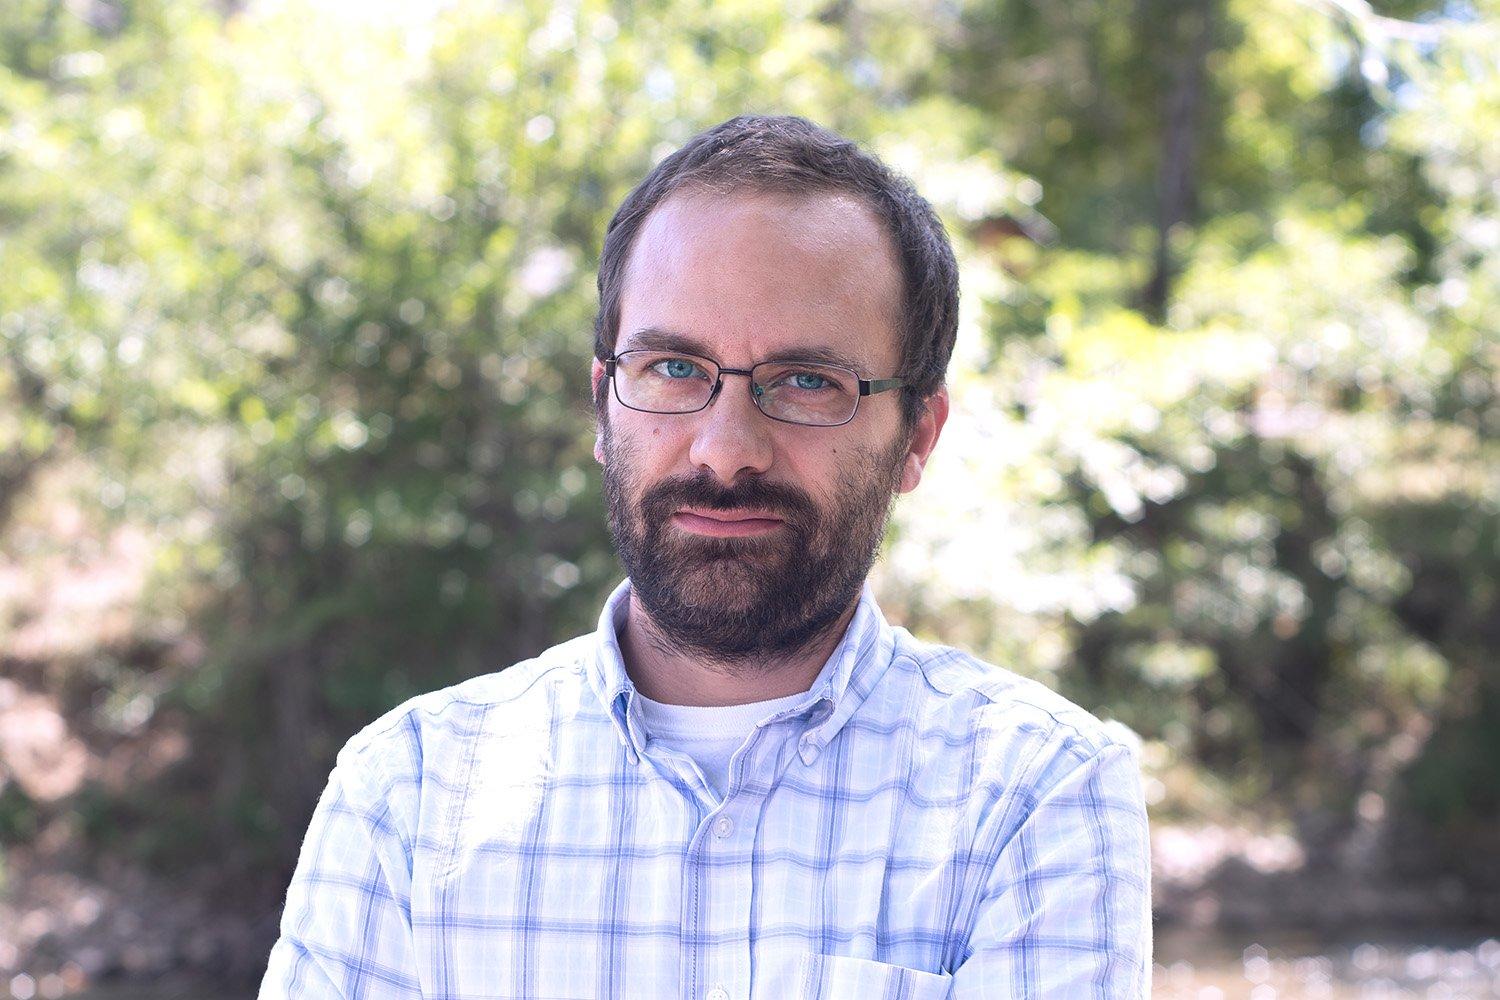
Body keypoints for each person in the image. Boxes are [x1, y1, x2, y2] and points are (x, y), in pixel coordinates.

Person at [259, 114, 1152, 1000]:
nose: (726, 450)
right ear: (604, 407)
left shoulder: (1037, 796)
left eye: (808, 382)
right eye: (674, 369)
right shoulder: (409, 792)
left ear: (918, 433)